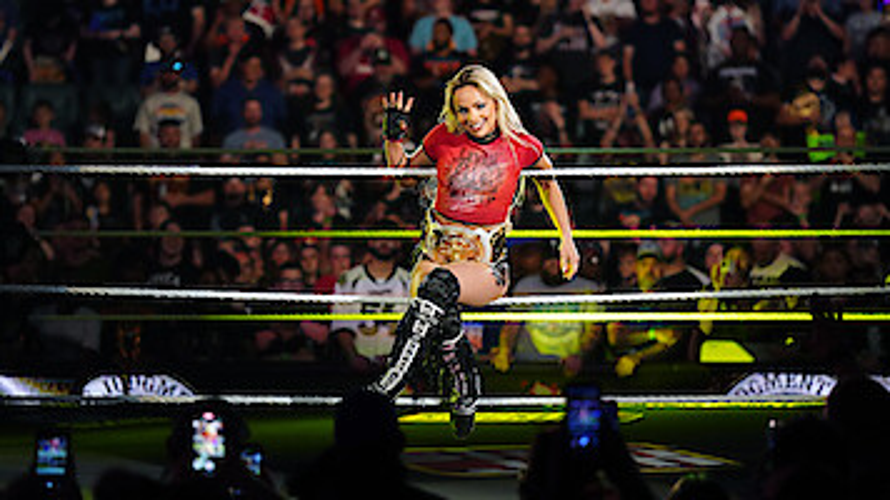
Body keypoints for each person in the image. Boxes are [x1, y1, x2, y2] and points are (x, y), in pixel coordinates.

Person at [369, 64, 580, 438]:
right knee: (439, 312)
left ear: (496, 103)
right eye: (463, 109)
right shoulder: (443, 136)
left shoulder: (521, 144)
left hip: (483, 264)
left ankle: (390, 384)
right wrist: (393, 137)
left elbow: (549, 183)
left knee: (437, 288)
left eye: (480, 106)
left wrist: (567, 237)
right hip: (435, 252)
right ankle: (464, 385)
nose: (472, 117)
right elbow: (402, 175)